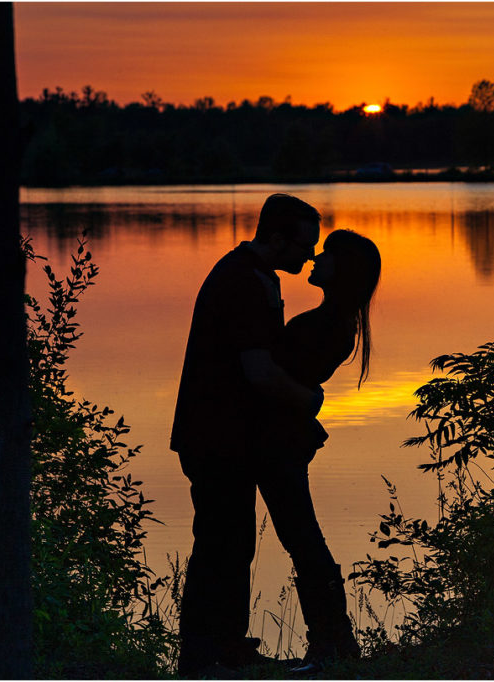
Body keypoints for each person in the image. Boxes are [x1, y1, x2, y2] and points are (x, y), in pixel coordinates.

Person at [170, 193, 323, 676]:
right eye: (304, 244)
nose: (310, 255)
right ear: (276, 238)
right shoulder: (243, 283)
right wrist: (308, 399)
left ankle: (221, 650)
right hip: (215, 438)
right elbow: (259, 371)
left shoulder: (253, 276)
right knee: (222, 544)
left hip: (223, 436)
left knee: (229, 543)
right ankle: (205, 655)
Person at [267, 229, 381, 674]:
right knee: (303, 538)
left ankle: (331, 643)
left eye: (328, 254)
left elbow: (282, 376)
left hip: (282, 441)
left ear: (344, 268)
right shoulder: (331, 321)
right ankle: (335, 642)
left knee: (303, 539)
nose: (316, 257)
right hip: (285, 438)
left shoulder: (328, 325)